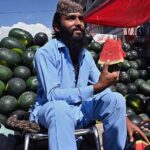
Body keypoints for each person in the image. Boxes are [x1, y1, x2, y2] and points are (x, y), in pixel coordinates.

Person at [29, 0, 149, 150]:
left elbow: (103, 88)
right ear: (57, 27)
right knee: (60, 108)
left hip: (80, 110)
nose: (79, 22)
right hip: (51, 111)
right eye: (71, 18)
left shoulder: (84, 55)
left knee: (116, 99)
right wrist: (96, 87)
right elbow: (53, 95)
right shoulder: (45, 53)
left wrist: (125, 119)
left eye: (81, 18)